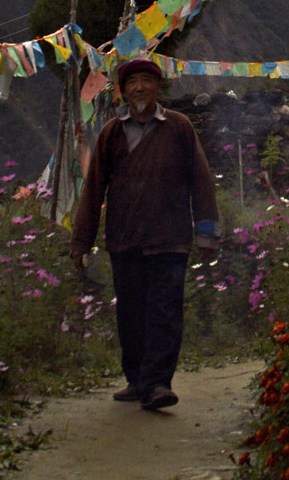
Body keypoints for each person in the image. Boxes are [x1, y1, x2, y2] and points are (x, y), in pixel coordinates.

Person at [70, 56, 219, 412]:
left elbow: (201, 181)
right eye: (132, 82)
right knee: (131, 313)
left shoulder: (179, 127)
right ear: (122, 90)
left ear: (157, 87)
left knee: (165, 311)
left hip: (171, 238)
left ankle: (157, 384)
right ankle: (136, 379)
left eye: (146, 81)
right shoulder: (111, 134)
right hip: (125, 239)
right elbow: (93, 191)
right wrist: (81, 242)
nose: (139, 87)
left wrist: (207, 234)